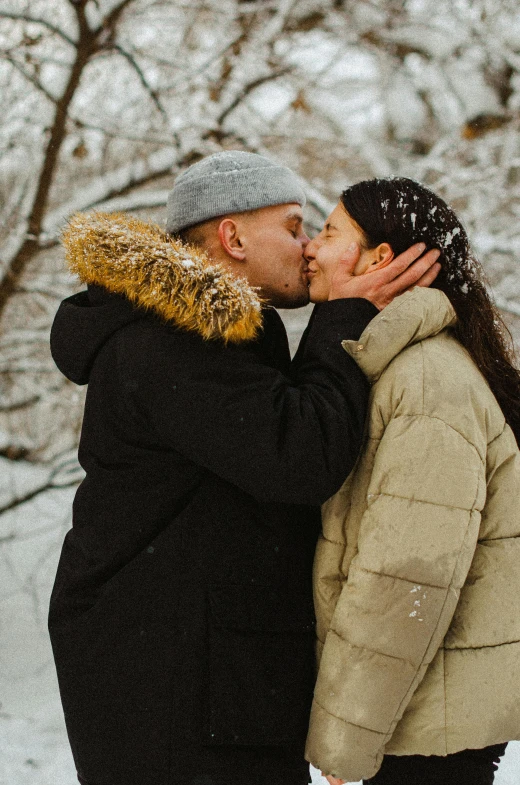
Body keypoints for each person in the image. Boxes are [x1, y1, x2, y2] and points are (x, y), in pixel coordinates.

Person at [48, 152, 439, 785]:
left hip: (200, 681)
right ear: (232, 236)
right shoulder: (169, 340)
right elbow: (299, 455)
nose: (308, 247)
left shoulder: (209, 336)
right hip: (174, 692)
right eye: (291, 227)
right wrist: (346, 318)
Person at [303, 177, 520, 785]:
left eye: (328, 233)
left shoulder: (424, 381)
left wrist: (345, 738)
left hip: (422, 732)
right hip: (418, 718)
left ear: (379, 259)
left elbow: (405, 583)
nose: (310, 250)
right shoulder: (397, 368)